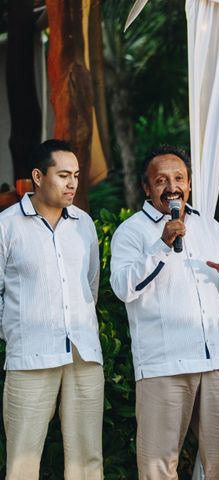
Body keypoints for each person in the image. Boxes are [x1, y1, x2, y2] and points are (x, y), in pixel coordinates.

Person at [109, 145, 219, 479]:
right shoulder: (131, 231)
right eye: (161, 180)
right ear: (147, 188)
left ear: (188, 184)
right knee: (159, 467)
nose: (171, 186)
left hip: (213, 361)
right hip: (162, 366)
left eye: (178, 178)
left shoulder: (210, 227)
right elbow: (122, 287)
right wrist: (162, 245)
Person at [0, 139, 103, 479]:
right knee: (22, 460)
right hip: (30, 355)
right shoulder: (7, 226)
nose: (72, 183)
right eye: (63, 175)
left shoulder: (84, 224)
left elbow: (91, 286)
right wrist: (16, 331)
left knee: (87, 460)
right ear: (38, 176)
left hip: (83, 354)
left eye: (75, 175)